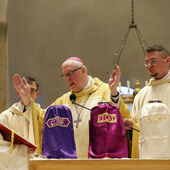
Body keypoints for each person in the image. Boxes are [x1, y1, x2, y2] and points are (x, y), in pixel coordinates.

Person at [13, 57, 131, 158]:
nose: (68, 79)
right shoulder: (64, 101)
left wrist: (114, 92)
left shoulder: (105, 90)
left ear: (83, 70)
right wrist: (26, 98)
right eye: (64, 75)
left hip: (98, 162)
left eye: (70, 74)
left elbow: (120, 119)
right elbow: (41, 119)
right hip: (70, 164)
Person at [131, 44, 170, 158]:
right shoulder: (142, 94)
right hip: (147, 159)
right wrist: (131, 125)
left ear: (167, 60)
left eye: (153, 61)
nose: (149, 66)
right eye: (147, 62)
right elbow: (135, 126)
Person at [0, 76, 41, 169]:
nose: (28, 93)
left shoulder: (43, 116)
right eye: (24, 89)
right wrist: (22, 150)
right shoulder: (4, 117)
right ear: (18, 92)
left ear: (37, 94)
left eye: (32, 90)